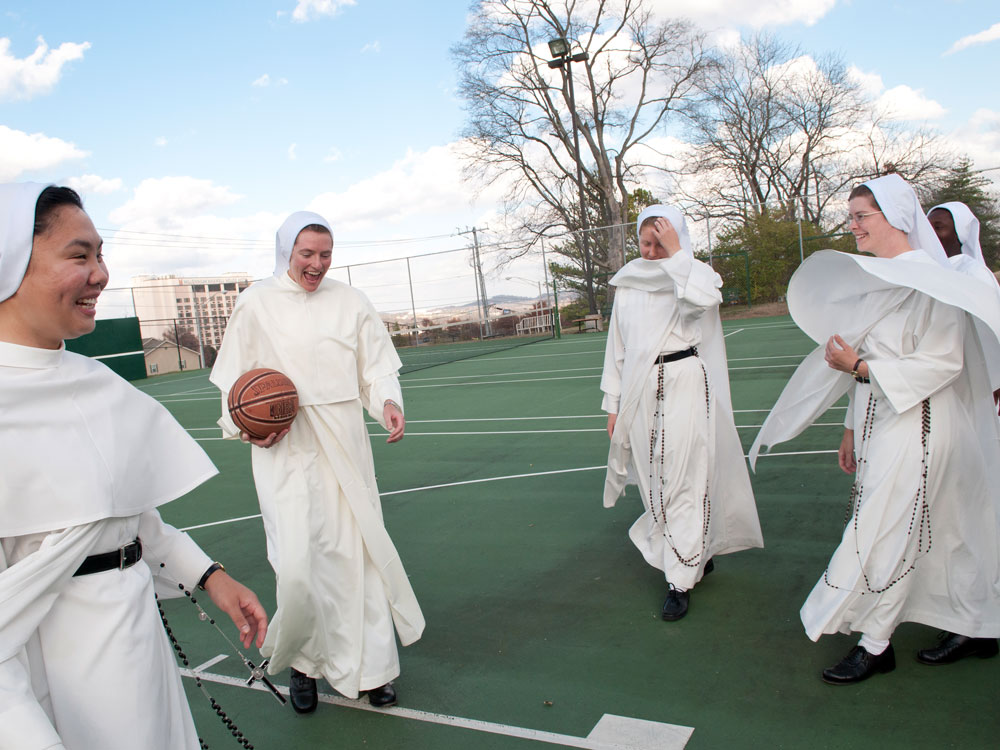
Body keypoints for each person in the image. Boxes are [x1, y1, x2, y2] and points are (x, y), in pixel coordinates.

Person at [0, 182, 268, 749]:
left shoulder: (103, 387)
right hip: (53, 680)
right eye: (79, 255)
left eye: (101, 254)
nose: (100, 273)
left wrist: (210, 576)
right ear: (11, 262)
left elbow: (126, 524)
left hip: (139, 653)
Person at [750, 174, 1000, 684]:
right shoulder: (874, 278)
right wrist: (849, 426)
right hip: (878, 418)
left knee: (882, 529)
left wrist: (862, 368)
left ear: (894, 218)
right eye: (852, 217)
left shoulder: (934, 281)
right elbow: (858, 359)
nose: (854, 226)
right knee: (943, 531)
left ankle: (875, 643)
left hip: (922, 423)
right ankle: (978, 623)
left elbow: (943, 362)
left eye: (862, 216)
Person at [210, 211, 424, 714]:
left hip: (345, 444)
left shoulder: (351, 301)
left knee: (359, 559)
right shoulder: (255, 303)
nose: (318, 264)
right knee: (297, 567)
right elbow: (233, 386)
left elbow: (376, 368)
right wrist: (244, 428)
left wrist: (388, 403)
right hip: (284, 450)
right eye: (307, 254)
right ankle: (304, 667)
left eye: (325, 255)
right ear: (287, 252)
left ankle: (374, 671)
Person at [601, 205, 763, 621]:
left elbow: (698, 306)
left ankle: (679, 579)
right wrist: (613, 406)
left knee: (684, 478)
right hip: (639, 390)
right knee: (654, 481)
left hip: (684, 381)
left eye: (661, 242)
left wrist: (678, 257)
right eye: (646, 242)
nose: (651, 251)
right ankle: (693, 552)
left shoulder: (695, 276)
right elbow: (616, 351)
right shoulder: (628, 284)